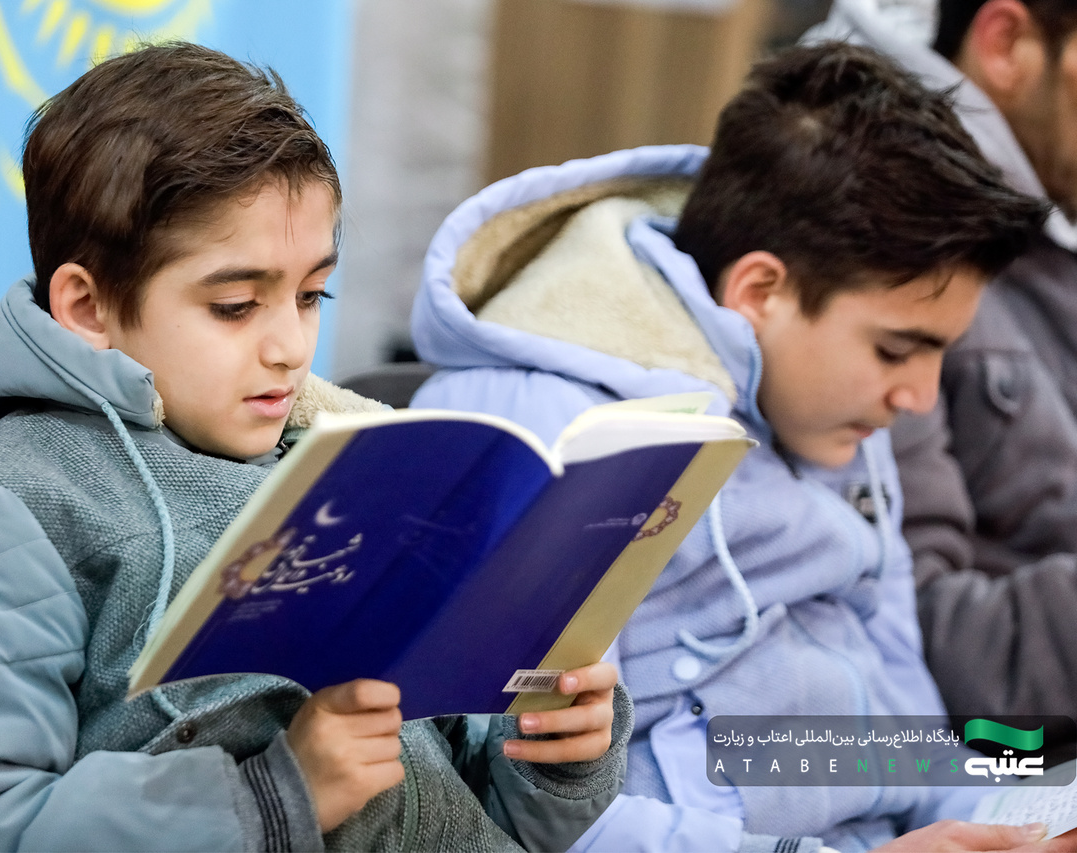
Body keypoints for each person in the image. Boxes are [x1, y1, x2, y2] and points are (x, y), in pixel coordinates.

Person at [0, 42, 631, 853]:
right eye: (236, 305)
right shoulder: (0, 514)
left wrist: (551, 752)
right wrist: (277, 793)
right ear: (88, 308)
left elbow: (473, 815)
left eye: (311, 295)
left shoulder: (332, 467)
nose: (290, 348)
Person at [409, 43, 1067, 853]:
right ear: (761, 292)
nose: (920, 398)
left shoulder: (835, 420)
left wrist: (1011, 821)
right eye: (896, 350)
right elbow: (530, 812)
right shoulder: (540, 429)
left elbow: (907, 729)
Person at [804, 0, 1077, 736]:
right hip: (967, 751)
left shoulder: (1049, 191)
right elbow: (902, 649)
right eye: (900, 353)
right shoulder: (870, 225)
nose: (915, 390)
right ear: (1006, 43)